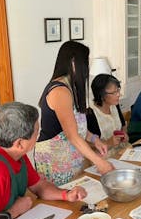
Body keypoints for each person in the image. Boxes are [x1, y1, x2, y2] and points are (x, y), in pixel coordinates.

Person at [35, 41, 114, 186]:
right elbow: (72, 136)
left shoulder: (69, 88)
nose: (86, 68)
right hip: (55, 160)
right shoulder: (60, 91)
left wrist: (95, 139)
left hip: (70, 159)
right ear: (73, 62)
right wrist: (99, 162)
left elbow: (78, 125)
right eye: (85, 62)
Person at [87, 74, 128, 148]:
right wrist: (108, 143)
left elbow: (123, 126)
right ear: (101, 95)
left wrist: (124, 134)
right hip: (103, 155)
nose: (118, 94)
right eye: (114, 93)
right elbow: (87, 145)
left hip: (121, 150)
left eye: (118, 90)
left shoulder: (115, 104)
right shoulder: (90, 113)